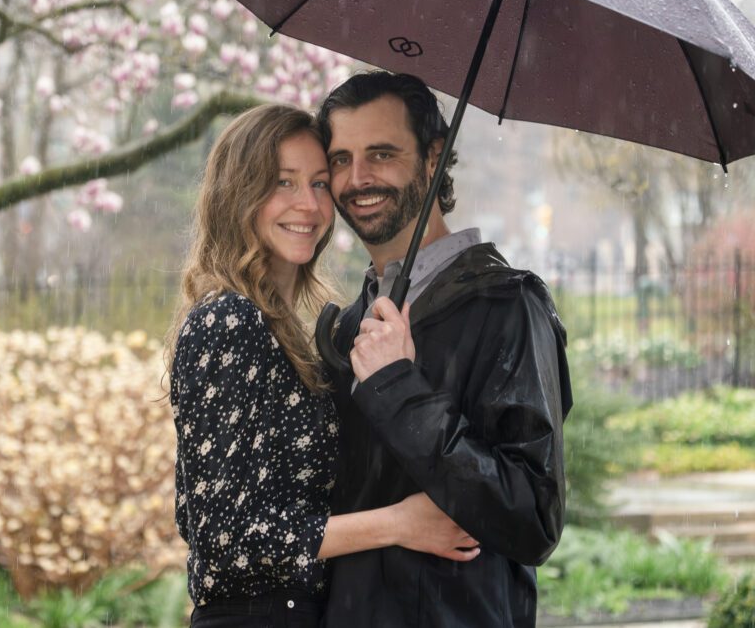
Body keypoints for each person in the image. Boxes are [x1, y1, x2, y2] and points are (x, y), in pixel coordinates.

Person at [166, 103, 480, 628]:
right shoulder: (228, 320)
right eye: (282, 184)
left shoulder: (295, 331)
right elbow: (225, 538)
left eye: (317, 183)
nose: (308, 205)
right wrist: (398, 524)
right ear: (238, 194)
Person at [316, 71, 573, 627]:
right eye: (341, 159)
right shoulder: (352, 324)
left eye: (381, 154)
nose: (358, 178)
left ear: (434, 160)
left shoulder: (507, 307)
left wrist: (401, 390)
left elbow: (532, 516)